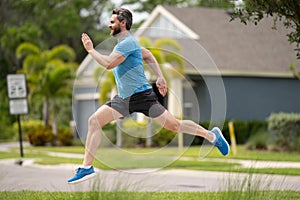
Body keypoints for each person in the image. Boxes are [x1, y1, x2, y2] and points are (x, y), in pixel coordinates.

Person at [67, 8, 230, 184]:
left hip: (143, 97)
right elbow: (148, 55)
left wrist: (91, 50)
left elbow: (108, 64)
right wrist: (159, 76)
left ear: (123, 23)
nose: (109, 24)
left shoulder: (127, 43)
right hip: (124, 99)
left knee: (174, 125)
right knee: (94, 121)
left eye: (113, 21)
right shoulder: (126, 44)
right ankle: (86, 167)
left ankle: (212, 135)